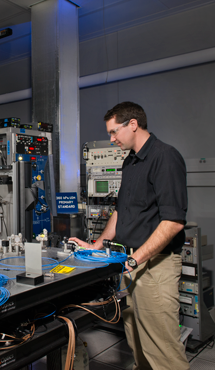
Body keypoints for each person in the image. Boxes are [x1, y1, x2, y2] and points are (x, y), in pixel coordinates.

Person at [70, 101, 189, 370]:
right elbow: (120, 211)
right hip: (132, 263)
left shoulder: (165, 157)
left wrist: (137, 260)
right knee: (137, 342)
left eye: (114, 132)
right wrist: (96, 245)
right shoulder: (130, 162)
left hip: (155, 265)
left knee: (162, 350)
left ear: (133, 125)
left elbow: (173, 222)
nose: (112, 139)